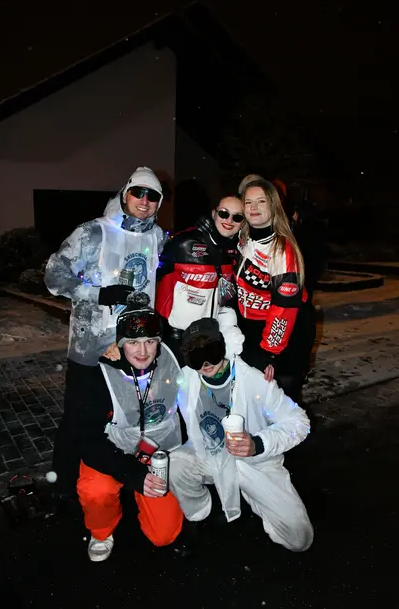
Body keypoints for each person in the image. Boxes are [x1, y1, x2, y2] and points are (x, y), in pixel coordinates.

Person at [44, 166, 166, 491]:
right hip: (90, 348)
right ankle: (64, 486)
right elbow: (54, 275)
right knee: (77, 420)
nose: (144, 200)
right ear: (125, 194)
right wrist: (98, 294)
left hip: (133, 348)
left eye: (153, 195)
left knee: (122, 418)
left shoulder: (158, 237)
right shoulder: (93, 232)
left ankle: (113, 484)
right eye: (138, 192)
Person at [169, 311, 313, 552]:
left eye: (211, 353)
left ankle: (252, 498)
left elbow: (299, 422)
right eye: (196, 358)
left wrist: (259, 443)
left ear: (223, 347)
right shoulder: (186, 379)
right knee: (175, 464)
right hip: (211, 458)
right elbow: (148, 367)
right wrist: (111, 351)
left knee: (299, 539)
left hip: (255, 465)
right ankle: (200, 511)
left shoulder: (254, 379)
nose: (205, 365)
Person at [75, 292, 184, 562]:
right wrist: (132, 474)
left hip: (158, 454)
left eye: (150, 341)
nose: (143, 352)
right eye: (133, 342)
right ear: (120, 343)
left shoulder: (173, 358)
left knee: (164, 535)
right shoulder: (100, 371)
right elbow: (87, 441)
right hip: (114, 450)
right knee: (95, 490)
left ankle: (145, 499)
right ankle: (102, 531)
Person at [235, 177, 312, 403]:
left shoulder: (281, 249)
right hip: (253, 327)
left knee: (281, 402)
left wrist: (269, 352)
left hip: (287, 332)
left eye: (261, 201)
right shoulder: (242, 238)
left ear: (274, 205)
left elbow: (284, 309)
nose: (254, 207)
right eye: (248, 202)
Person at [156, 194, 243, 360]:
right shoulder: (183, 242)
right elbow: (152, 275)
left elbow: (226, 295)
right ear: (214, 213)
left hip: (208, 337)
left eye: (237, 217)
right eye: (224, 213)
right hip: (175, 337)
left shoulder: (234, 250)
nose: (229, 220)